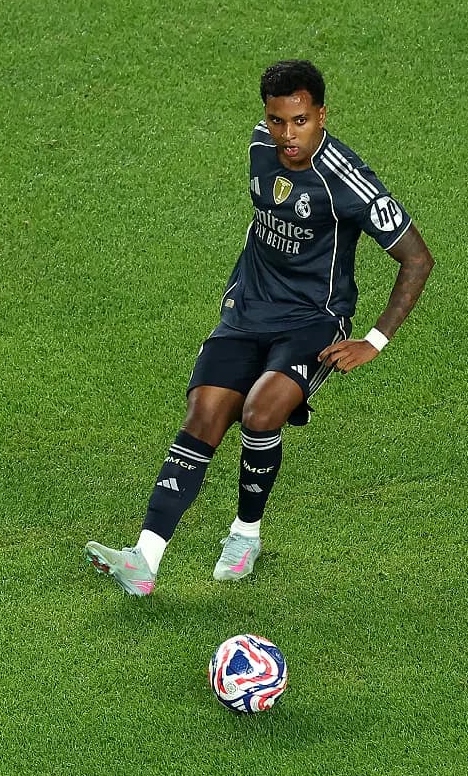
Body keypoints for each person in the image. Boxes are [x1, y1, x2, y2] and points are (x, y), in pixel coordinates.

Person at [85, 59, 434, 595]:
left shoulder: (348, 182)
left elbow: (417, 259)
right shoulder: (258, 147)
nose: (286, 135)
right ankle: (144, 559)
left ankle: (245, 534)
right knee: (203, 415)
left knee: (260, 410)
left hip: (313, 321)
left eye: (299, 121)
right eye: (276, 121)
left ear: (321, 114)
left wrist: (374, 340)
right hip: (248, 310)